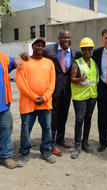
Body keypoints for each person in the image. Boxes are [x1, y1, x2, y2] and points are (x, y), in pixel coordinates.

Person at [16, 37, 56, 167]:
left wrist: (44, 97)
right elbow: (20, 83)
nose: (40, 47)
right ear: (32, 47)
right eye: (37, 45)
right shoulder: (24, 61)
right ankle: (25, 152)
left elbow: (52, 84)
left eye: (42, 46)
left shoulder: (49, 63)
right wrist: (34, 97)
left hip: (45, 102)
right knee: (26, 128)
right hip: (28, 102)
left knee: (47, 128)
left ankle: (46, 150)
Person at [45, 30, 81, 156]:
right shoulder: (48, 50)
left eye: (69, 37)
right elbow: (36, 56)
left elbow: (89, 58)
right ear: (59, 38)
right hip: (52, 89)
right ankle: (51, 143)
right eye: (64, 37)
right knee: (53, 117)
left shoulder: (76, 52)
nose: (66, 40)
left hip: (67, 90)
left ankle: (60, 138)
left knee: (63, 116)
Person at [70, 37, 99, 159]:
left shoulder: (94, 63)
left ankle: (85, 142)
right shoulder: (77, 63)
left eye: (89, 49)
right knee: (79, 120)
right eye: (85, 49)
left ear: (92, 50)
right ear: (82, 50)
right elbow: (71, 79)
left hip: (92, 96)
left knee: (88, 119)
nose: (87, 51)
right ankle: (77, 145)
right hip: (80, 97)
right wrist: (79, 79)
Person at [0, 52, 22, 169]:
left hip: (2, 104)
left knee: (6, 130)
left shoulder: (2, 57)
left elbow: (12, 60)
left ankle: (6, 156)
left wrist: (16, 61)